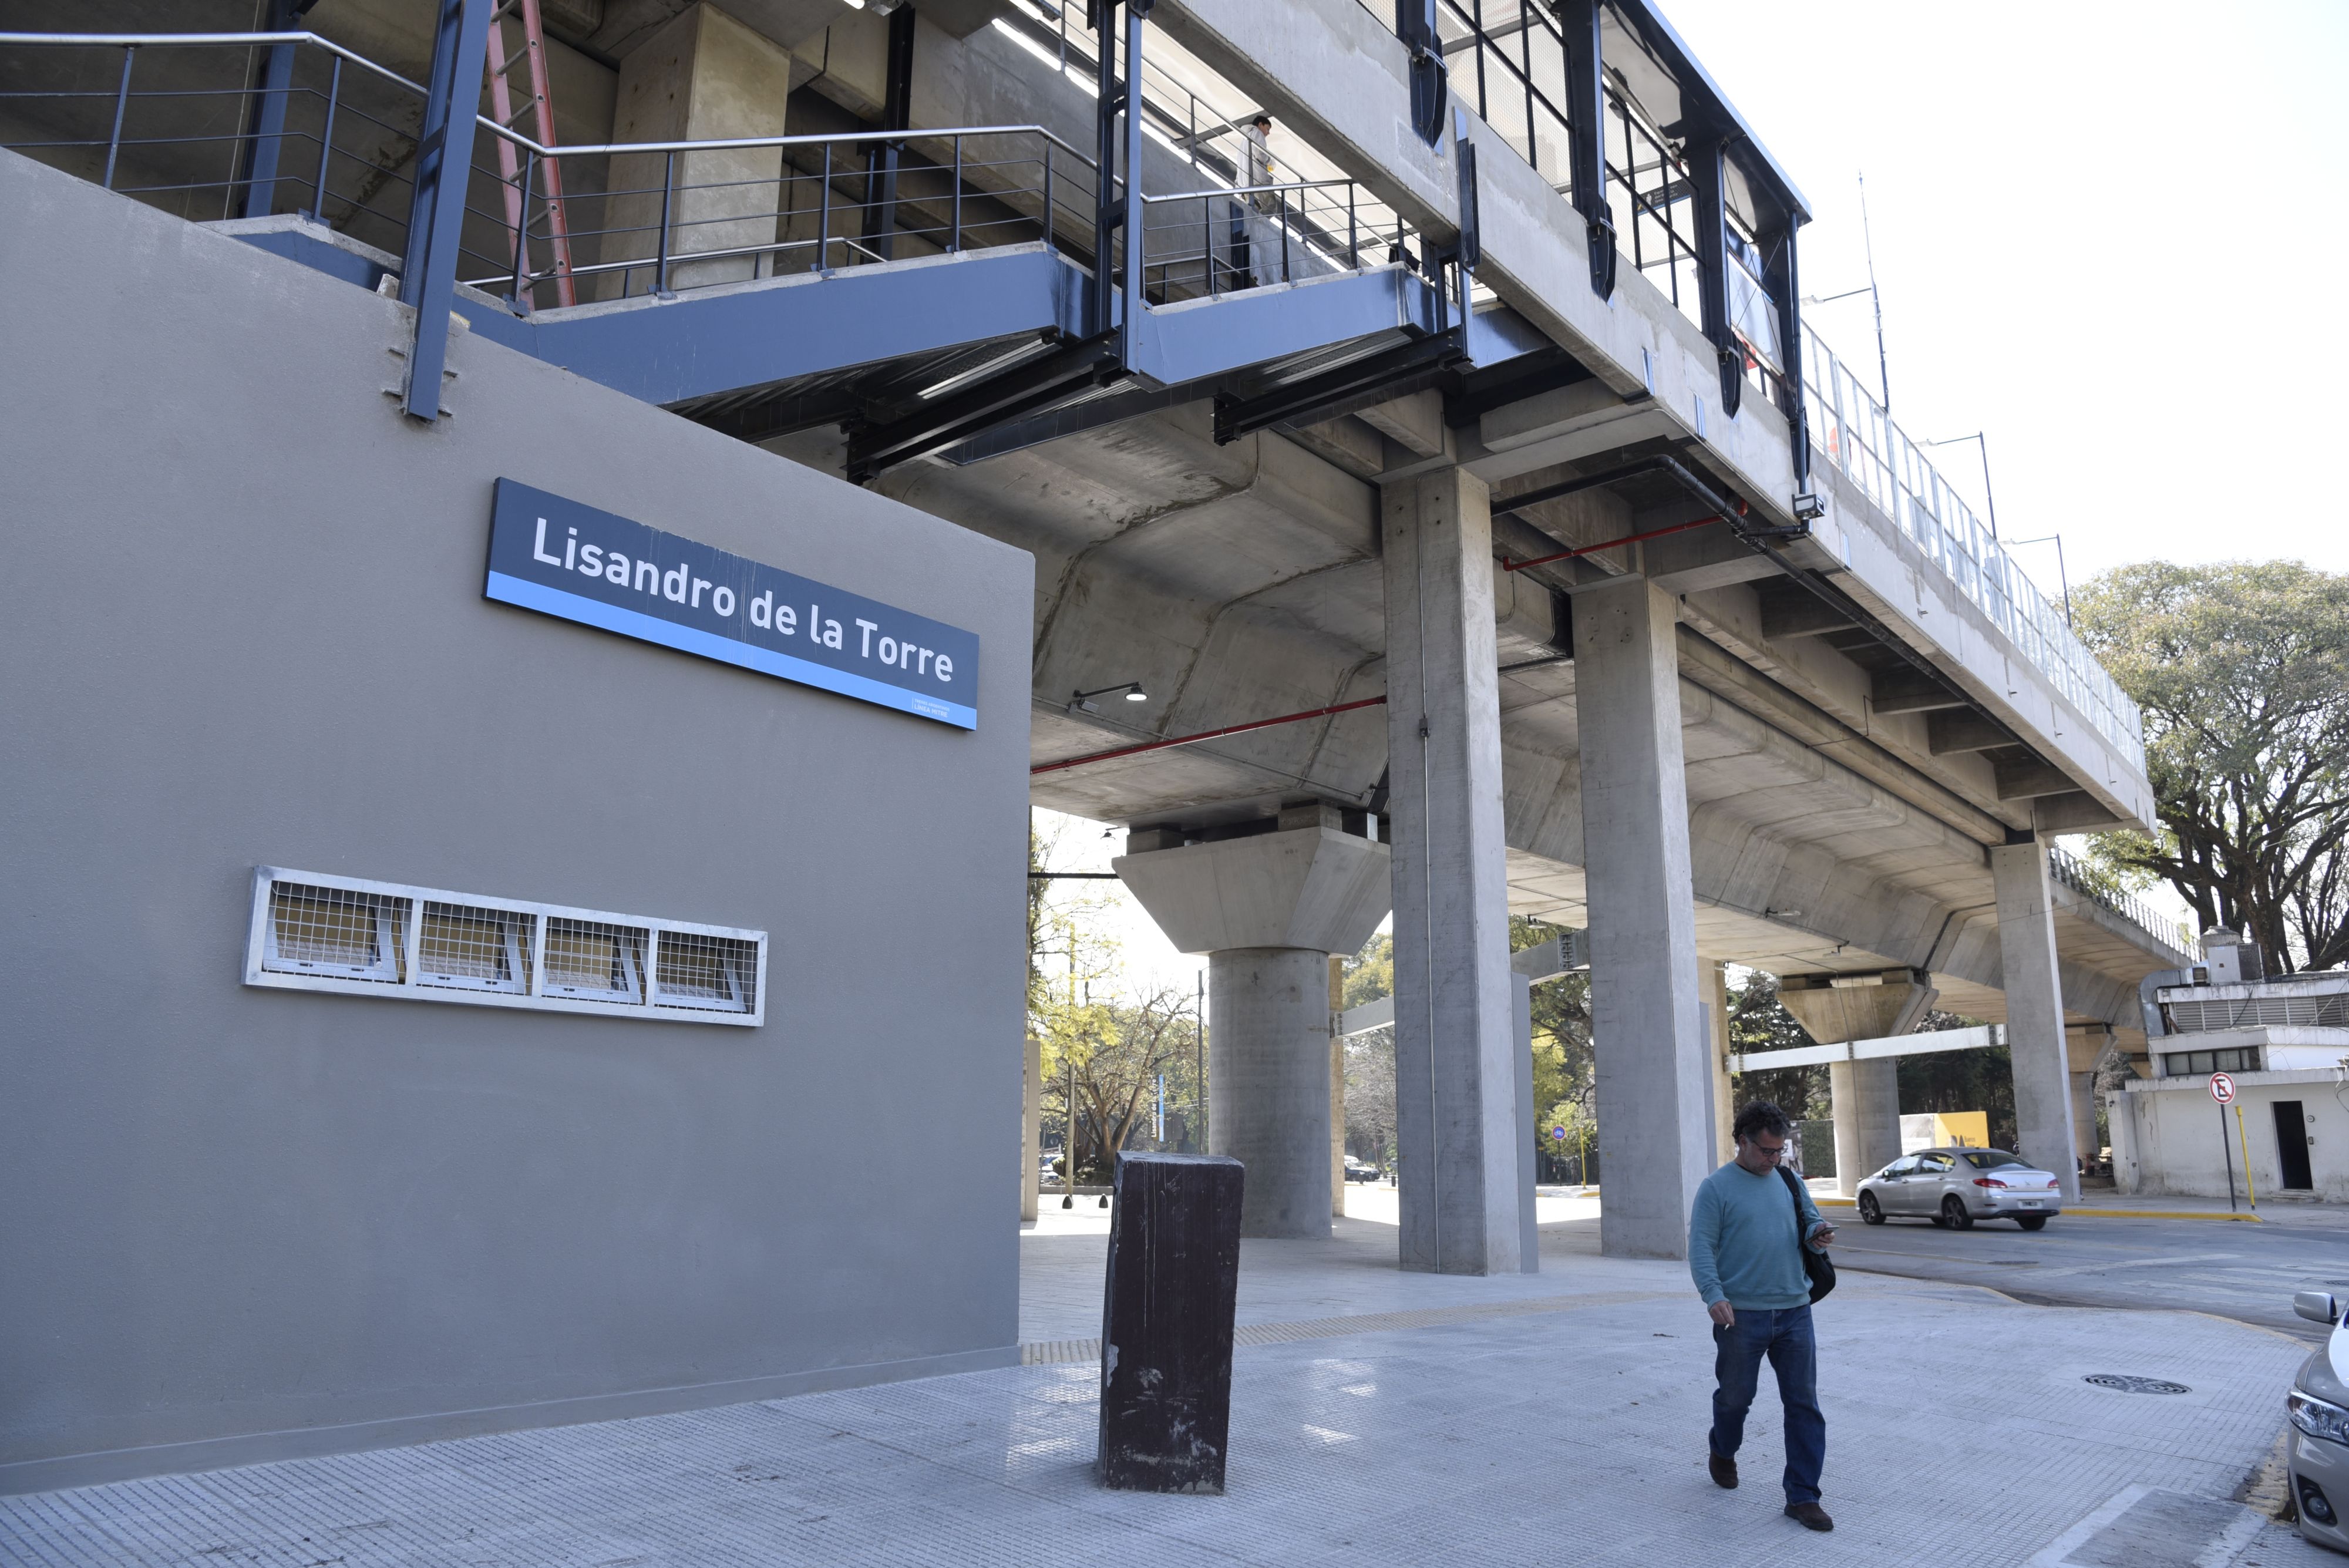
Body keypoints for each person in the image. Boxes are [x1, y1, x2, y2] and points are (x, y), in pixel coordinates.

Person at [1688, 1100, 1838, 1532]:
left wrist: (1818, 1235)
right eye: (1766, 1151)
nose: (1774, 1160)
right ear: (1742, 1141)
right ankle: (1723, 1448)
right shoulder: (1716, 1188)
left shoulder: (1789, 1180)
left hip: (1795, 1310)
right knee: (1736, 1399)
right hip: (1741, 1316)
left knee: (1804, 1404)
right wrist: (1712, 1295)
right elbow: (1701, 1246)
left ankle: (1803, 1496)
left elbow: (1810, 1223)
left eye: (1779, 1152)